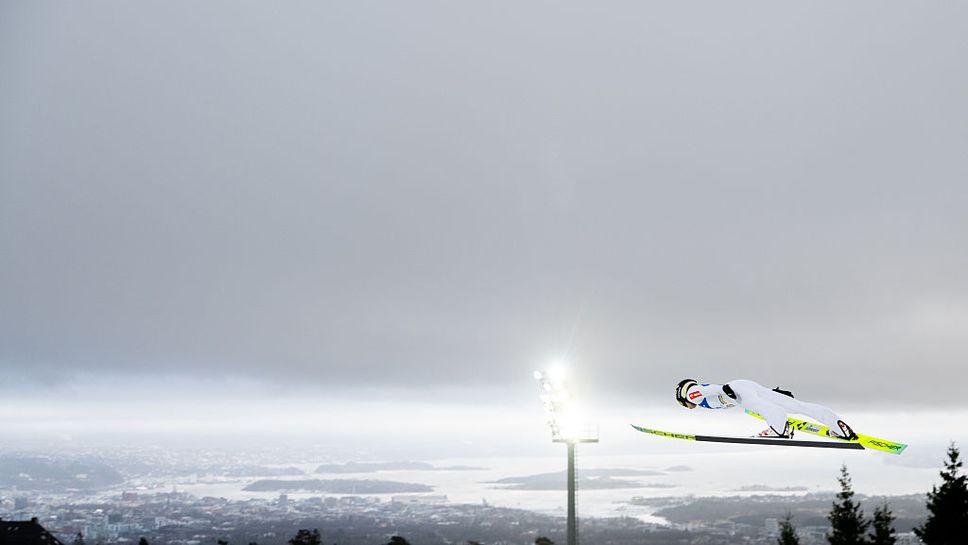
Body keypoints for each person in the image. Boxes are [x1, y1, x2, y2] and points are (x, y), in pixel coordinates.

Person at [674, 378, 858, 440]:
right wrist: (773, 393)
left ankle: (778, 430)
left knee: (770, 410)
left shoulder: (692, 394)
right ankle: (836, 425)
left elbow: (709, 389)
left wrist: (725, 390)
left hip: (737, 391)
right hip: (744, 385)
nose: (688, 407)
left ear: (682, 396)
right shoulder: (699, 397)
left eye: (683, 404)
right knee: (796, 406)